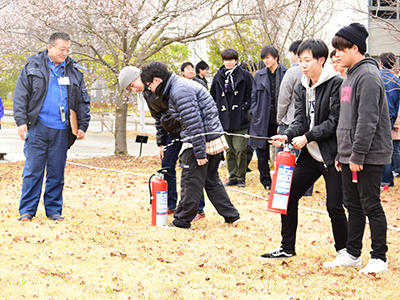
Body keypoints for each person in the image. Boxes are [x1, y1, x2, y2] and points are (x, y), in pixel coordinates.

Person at [261, 39, 347, 260]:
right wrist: (287, 135)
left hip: (332, 155)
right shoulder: (301, 85)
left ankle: (344, 251)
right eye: (300, 61)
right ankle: (287, 247)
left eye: (307, 60)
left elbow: (334, 121)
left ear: (321, 60)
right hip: (310, 155)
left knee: (334, 205)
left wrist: (306, 137)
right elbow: (300, 119)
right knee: (288, 196)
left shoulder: (336, 83)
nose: (303, 65)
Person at [324, 23, 391, 274]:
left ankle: (379, 257)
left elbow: (367, 119)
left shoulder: (369, 76)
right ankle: (352, 253)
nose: (337, 54)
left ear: (355, 47)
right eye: (335, 50)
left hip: (368, 154)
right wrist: (343, 154)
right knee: (351, 205)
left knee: (370, 204)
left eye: (341, 49)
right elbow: (345, 120)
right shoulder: (349, 76)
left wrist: (358, 154)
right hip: (350, 154)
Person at [140, 61, 240, 229]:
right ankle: (231, 215)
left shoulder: (179, 90)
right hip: (209, 137)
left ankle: (181, 221)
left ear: (156, 80)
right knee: (211, 180)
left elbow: (194, 123)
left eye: (149, 85)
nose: (149, 89)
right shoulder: (177, 86)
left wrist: (199, 153)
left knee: (190, 181)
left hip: (201, 140)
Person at [13, 32, 91, 222]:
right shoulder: (32, 67)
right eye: (61, 49)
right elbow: (20, 95)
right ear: (50, 47)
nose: (65, 53)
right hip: (38, 127)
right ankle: (27, 211)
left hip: (62, 130)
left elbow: (83, 101)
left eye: (67, 50)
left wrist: (83, 125)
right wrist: (21, 121)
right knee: (33, 171)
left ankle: (54, 211)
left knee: (56, 172)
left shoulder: (74, 71)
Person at [118, 66, 206, 222]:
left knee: (190, 168)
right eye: (129, 89)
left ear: (139, 76)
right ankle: (171, 204)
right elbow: (158, 119)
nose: (133, 89)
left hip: (187, 128)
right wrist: (161, 143)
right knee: (166, 165)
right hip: (172, 131)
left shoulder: (161, 84)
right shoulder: (147, 94)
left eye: (132, 84)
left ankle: (198, 208)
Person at [210, 49, 253, 188]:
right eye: (225, 60)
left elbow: (252, 94)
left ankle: (241, 177)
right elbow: (212, 95)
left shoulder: (245, 75)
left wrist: (245, 106)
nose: (228, 62)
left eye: (231, 60)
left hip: (240, 117)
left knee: (240, 149)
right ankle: (232, 176)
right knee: (229, 150)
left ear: (236, 60)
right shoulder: (218, 76)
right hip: (224, 118)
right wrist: (217, 108)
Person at [248, 46, 287, 190]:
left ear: (276, 57)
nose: (266, 61)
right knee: (261, 152)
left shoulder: (286, 73)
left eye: (268, 58)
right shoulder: (259, 75)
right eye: (263, 58)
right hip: (261, 119)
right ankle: (266, 182)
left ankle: (281, 181)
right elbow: (253, 96)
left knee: (282, 151)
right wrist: (254, 110)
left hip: (280, 119)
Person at [379, 52, 400, 187]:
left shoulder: (377, 77)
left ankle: (384, 180)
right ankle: (388, 179)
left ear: (380, 63)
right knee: (389, 147)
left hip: (379, 115)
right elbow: (398, 102)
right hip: (391, 115)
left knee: (381, 148)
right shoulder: (396, 80)